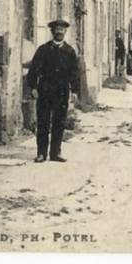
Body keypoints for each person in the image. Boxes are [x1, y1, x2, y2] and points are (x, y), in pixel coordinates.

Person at [27, 19, 80, 162]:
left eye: (62, 30)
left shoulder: (69, 52)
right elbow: (34, 70)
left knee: (59, 122)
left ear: (65, 32)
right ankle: (41, 153)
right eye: (57, 29)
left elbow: (74, 72)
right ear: (52, 32)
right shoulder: (43, 50)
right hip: (45, 90)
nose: (59, 32)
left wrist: (75, 91)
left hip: (62, 91)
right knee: (43, 122)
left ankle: (55, 153)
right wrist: (33, 87)